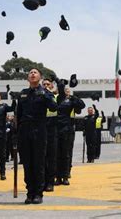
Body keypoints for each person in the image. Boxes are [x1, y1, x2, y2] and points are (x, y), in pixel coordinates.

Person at [17, 68, 57, 204]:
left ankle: (38, 193)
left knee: (38, 163)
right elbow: (19, 114)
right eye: (30, 73)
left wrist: (47, 94)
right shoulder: (23, 94)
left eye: (35, 72)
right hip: (25, 131)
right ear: (28, 78)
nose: (32, 74)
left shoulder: (45, 92)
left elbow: (53, 107)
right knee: (27, 163)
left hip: (39, 130)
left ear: (40, 77)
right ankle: (30, 192)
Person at [54, 81, 85, 186]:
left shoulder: (71, 101)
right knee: (57, 153)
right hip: (56, 128)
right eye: (64, 90)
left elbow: (81, 105)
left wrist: (72, 97)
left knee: (66, 154)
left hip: (68, 128)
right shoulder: (57, 99)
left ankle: (66, 176)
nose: (66, 92)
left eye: (68, 91)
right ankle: (58, 177)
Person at [42, 78, 58, 192]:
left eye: (48, 84)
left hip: (53, 125)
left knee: (51, 157)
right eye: (44, 84)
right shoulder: (38, 95)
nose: (46, 86)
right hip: (41, 125)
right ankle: (41, 181)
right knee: (41, 157)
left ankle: (50, 182)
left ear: (52, 86)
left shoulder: (55, 97)